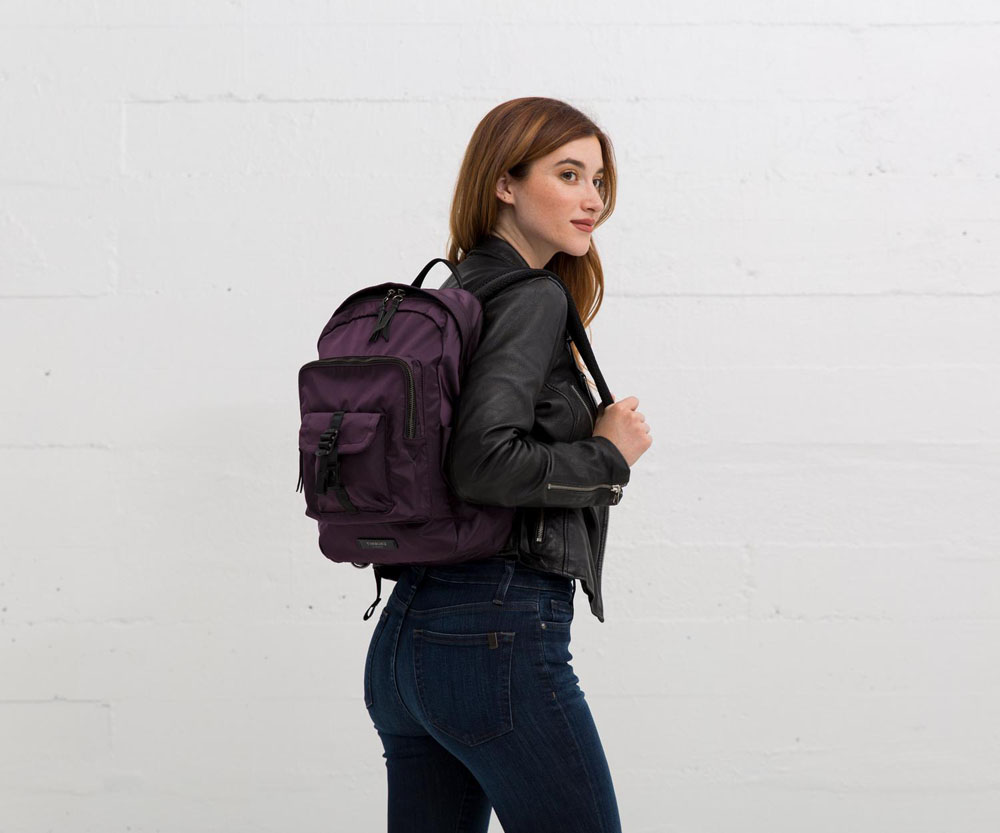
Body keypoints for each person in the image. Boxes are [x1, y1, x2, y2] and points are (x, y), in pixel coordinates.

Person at [362, 96, 652, 833]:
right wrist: (609, 454)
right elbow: (484, 463)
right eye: (568, 174)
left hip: (407, 639)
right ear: (505, 183)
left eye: (598, 181)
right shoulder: (531, 295)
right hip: (496, 636)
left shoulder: (453, 293)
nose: (593, 199)